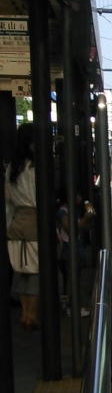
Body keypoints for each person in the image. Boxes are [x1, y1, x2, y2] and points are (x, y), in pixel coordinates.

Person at [5, 122, 40, 329]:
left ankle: (25, 314)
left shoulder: (12, 167)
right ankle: (31, 316)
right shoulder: (35, 167)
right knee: (36, 270)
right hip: (34, 222)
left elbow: (8, 197)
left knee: (23, 270)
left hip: (16, 223)